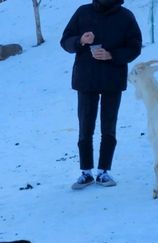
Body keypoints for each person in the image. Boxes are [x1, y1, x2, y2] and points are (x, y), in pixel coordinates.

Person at [61, 0, 142, 189]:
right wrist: (80, 40)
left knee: (108, 126)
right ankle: (86, 172)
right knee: (85, 126)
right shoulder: (83, 12)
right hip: (86, 79)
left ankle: (104, 171)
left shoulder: (125, 16)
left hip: (112, 80)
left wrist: (112, 55)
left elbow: (135, 46)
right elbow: (65, 41)